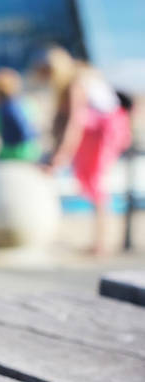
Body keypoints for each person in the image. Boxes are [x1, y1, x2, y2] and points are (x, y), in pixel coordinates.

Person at [35, 46, 132, 256]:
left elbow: (74, 124)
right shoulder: (71, 84)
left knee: (96, 183)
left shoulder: (74, 85)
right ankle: (99, 241)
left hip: (103, 132)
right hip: (94, 133)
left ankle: (101, 243)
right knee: (89, 182)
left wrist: (62, 154)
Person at [0, 67, 40, 162]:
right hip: (31, 148)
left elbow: (23, 129)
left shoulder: (5, 109)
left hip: (16, 151)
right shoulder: (22, 102)